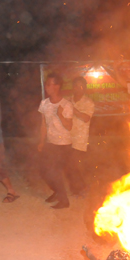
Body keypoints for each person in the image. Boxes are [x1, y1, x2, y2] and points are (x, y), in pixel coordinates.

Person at [37, 72, 83, 209]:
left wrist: (60, 115)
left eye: (50, 84)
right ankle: (57, 192)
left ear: (57, 86)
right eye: (46, 84)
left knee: (54, 171)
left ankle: (64, 200)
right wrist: (41, 141)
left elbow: (69, 126)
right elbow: (43, 124)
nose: (47, 87)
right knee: (45, 171)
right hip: (51, 143)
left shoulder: (66, 105)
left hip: (63, 145)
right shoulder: (44, 103)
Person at [70, 76, 94, 189]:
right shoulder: (67, 101)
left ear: (85, 88)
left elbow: (85, 118)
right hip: (67, 138)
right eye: (76, 85)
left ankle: (81, 189)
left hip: (80, 140)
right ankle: (76, 188)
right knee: (70, 166)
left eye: (81, 86)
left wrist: (72, 110)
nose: (79, 88)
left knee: (77, 165)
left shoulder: (88, 102)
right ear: (73, 87)